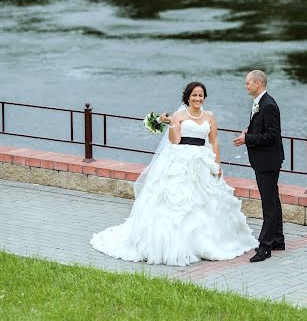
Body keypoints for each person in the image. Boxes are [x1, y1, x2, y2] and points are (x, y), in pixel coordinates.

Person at [90, 81, 257, 266]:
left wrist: (217, 164)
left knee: (205, 202)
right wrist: (170, 124)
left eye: (201, 95)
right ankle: (178, 245)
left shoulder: (210, 116)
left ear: (204, 98)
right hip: (181, 159)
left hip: (203, 160)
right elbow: (175, 140)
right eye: (194, 95)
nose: (198, 98)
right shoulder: (178, 115)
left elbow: (214, 141)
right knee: (178, 202)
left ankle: (205, 242)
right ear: (188, 97)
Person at [233, 70, 285, 263]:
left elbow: (272, 136)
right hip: (264, 160)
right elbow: (262, 129)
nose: (246, 86)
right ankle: (278, 240)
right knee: (272, 199)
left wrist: (248, 138)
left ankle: (265, 247)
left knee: (268, 204)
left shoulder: (268, 105)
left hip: (268, 161)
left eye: (248, 83)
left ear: (257, 83)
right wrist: (250, 131)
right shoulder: (260, 103)